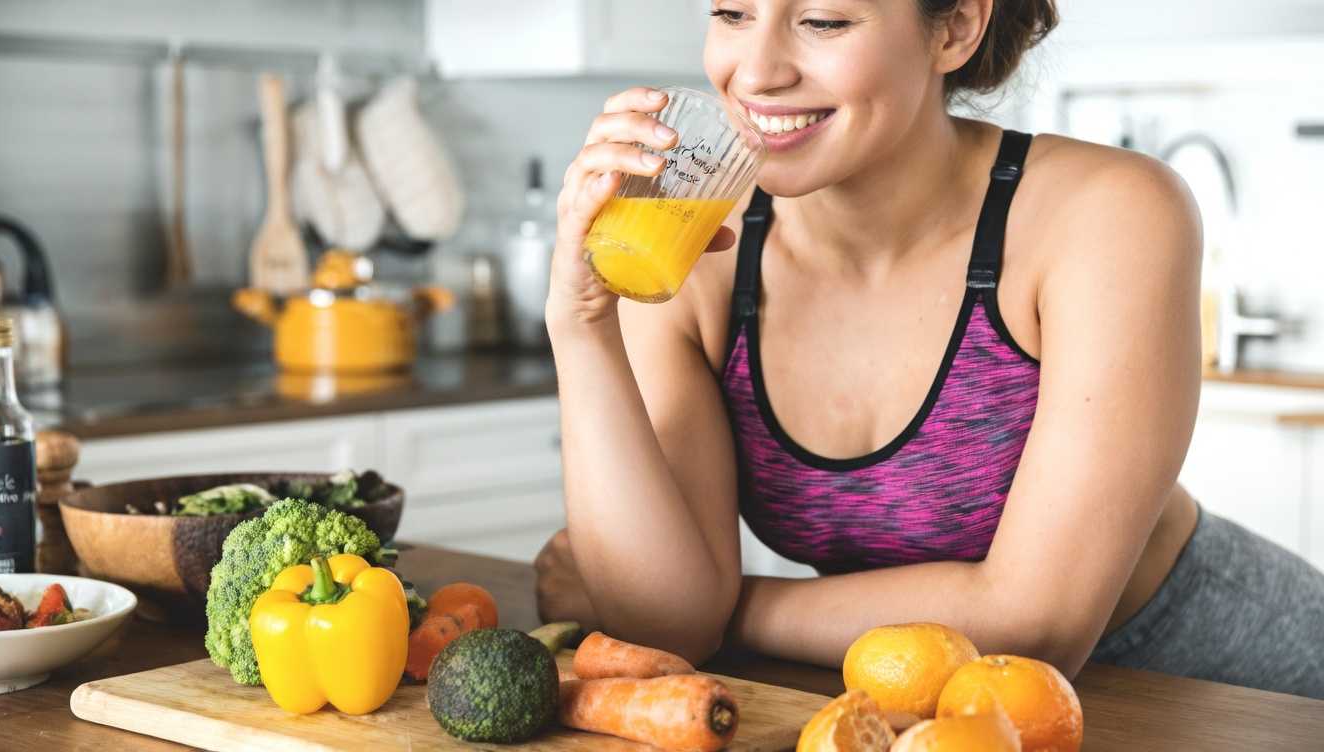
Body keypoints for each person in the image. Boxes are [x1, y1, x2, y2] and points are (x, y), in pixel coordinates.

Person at [533, 0, 1324, 699]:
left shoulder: (1106, 212)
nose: (757, 71)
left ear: (956, 28)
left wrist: (728, 607)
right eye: (732, 12)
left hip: (1221, 686)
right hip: (921, 701)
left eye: (823, 21)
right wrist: (579, 320)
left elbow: (1035, 628)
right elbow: (667, 619)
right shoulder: (697, 235)